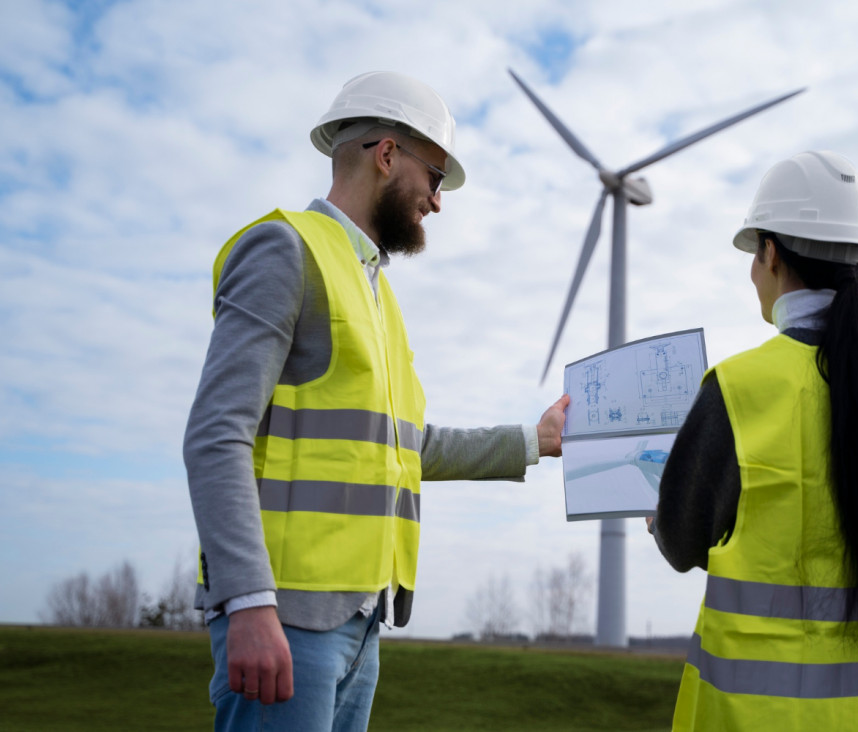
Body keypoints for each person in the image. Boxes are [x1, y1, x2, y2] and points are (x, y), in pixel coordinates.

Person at [182, 71, 569, 731]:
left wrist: (534, 441)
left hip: (360, 623)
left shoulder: (376, 291)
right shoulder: (287, 251)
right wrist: (247, 602)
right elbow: (216, 435)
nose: (438, 202)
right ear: (387, 155)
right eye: (436, 178)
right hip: (284, 618)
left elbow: (401, 447)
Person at [649, 151, 858, 730]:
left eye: (753, 255)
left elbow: (680, 540)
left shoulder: (740, 387)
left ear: (770, 253)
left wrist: (660, 516)